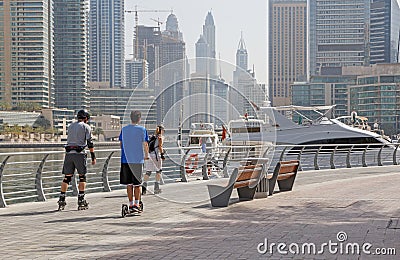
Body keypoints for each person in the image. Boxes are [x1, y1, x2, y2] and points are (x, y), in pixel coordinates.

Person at [57, 109, 96, 210]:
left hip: (69, 154)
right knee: (82, 177)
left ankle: (62, 199)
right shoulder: (86, 126)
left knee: (67, 177)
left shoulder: (71, 126)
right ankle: (81, 200)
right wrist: (93, 156)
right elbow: (89, 142)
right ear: (86, 118)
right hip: (80, 154)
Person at [119, 110, 149, 213]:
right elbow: (145, 144)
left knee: (129, 184)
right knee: (137, 184)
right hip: (137, 160)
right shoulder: (142, 130)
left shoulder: (124, 129)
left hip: (125, 160)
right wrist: (146, 155)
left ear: (130, 118)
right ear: (139, 119)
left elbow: (121, 144)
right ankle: (136, 203)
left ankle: (130, 204)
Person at [142, 125, 165, 195]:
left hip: (149, 156)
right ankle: (156, 188)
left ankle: (143, 188)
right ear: (162, 131)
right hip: (156, 156)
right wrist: (162, 155)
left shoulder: (152, 137)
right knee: (158, 171)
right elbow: (160, 147)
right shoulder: (160, 137)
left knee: (148, 172)